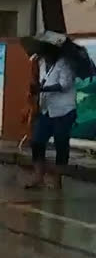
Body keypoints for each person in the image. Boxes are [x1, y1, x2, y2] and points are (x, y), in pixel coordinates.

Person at [26, 47, 77, 190]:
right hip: (46, 109)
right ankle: (38, 176)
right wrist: (37, 88)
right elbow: (43, 81)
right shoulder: (42, 62)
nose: (44, 56)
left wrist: (42, 89)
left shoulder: (66, 63)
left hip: (64, 110)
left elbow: (64, 85)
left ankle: (57, 179)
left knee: (61, 143)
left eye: (46, 53)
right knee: (37, 141)